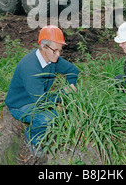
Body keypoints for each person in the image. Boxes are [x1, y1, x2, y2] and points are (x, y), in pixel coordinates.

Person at [5, 25, 79, 157]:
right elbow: (41, 101)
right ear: (43, 47)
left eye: (60, 50)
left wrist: (69, 89)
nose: (58, 55)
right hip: (20, 105)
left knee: (66, 112)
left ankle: (44, 131)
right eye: (55, 50)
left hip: (38, 99)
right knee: (49, 118)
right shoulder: (30, 67)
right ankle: (33, 139)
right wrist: (63, 95)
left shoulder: (52, 59)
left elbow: (73, 71)